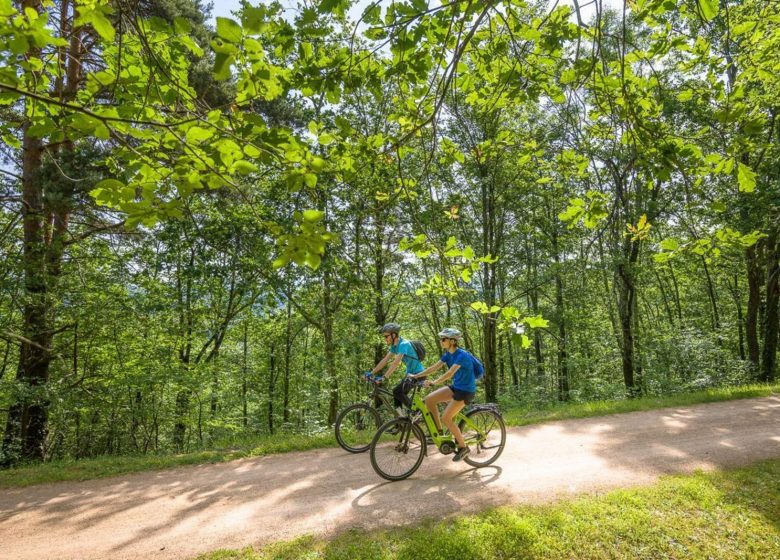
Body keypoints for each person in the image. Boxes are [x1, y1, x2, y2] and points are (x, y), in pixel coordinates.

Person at [410, 327, 476, 462]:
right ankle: (438, 433)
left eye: (443, 339)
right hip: (456, 387)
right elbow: (433, 368)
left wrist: (434, 382)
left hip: (466, 391)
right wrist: (416, 376)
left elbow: (449, 374)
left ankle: (463, 448)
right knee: (429, 400)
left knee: (447, 418)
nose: (441, 341)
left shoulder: (462, 355)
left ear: (452, 341)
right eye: (441, 339)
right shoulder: (447, 354)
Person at [368, 322, 426, 414]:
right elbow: (385, 360)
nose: (385, 339)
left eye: (386, 336)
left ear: (393, 335)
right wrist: (372, 373)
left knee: (397, 392)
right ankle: (400, 422)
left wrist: (384, 377)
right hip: (410, 375)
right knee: (397, 395)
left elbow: (396, 363)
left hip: (418, 374)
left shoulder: (404, 344)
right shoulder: (395, 346)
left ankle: (416, 412)